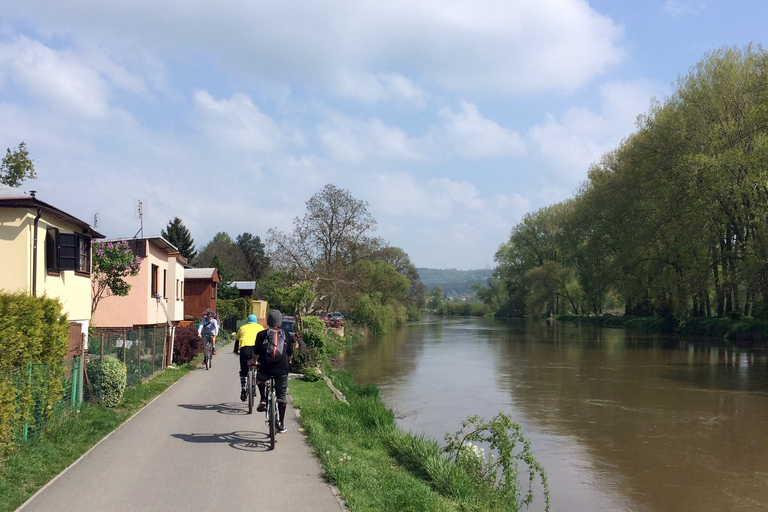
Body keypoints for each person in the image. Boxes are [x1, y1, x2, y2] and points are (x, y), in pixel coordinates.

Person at [254, 310, 293, 434]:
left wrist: (255, 361)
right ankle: (281, 424)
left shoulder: (261, 334)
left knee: (260, 378)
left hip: (265, 368)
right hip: (281, 369)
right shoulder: (286, 334)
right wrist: (289, 362)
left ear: (268, 321)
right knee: (282, 396)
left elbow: (256, 351)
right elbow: (290, 352)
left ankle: (263, 399)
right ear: (280, 322)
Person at [234, 314, 264, 402]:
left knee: (243, 370)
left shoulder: (242, 328)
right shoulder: (260, 327)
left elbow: (237, 340)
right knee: (259, 366)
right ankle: (257, 380)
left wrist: (236, 350)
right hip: (257, 349)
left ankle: (243, 389)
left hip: (245, 349)